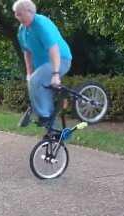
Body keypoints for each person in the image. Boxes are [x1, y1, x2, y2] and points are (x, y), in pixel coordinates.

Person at [13, 0, 72, 128]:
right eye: (16, 14)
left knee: (36, 80)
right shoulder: (22, 30)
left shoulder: (41, 24)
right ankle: (54, 133)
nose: (17, 17)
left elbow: (54, 49)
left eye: (20, 14)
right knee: (34, 82)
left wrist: (55, 74)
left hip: (61, 60)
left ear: (30, 11)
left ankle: (41, 113)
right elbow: (27, 52)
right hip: (43, 66)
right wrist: (29, 73)